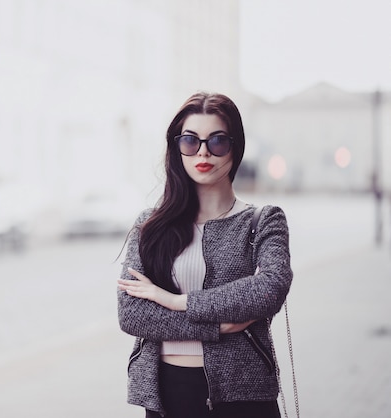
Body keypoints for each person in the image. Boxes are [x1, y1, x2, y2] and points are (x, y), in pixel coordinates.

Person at [117, 92, 292, 418]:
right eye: (190, 141)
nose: (203, 152)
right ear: (177, 147)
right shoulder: (150, 225)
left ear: (235, 146)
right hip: (166, 390)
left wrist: (175, 301)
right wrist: (218, 326)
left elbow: (270, 289)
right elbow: (132, 314)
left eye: (217, 142)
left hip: (243, 392)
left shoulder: (263, 221)